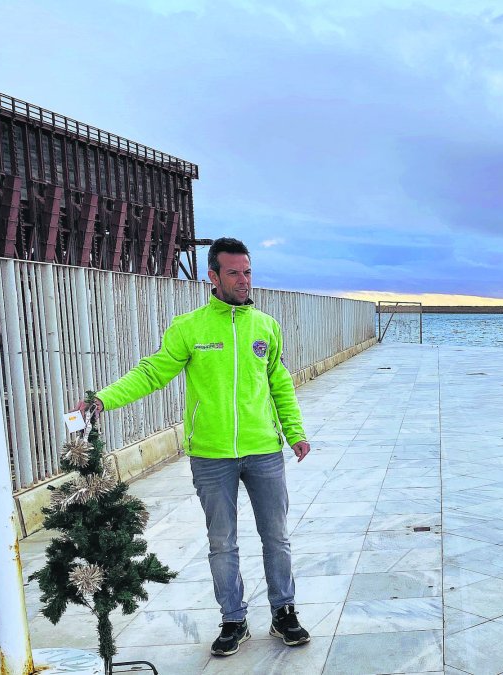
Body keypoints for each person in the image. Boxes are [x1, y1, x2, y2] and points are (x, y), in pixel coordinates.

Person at [75, 237, 311, 657]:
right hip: (210, 455)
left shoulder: (266, 326)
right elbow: (152, 373)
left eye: (248, 271)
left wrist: (294, 432)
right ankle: (233, 619)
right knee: (222, 541)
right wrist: (103, 398)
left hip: (263, 451)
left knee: (276, 536)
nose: (243, 280)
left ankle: (284, 611)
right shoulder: (190, 328)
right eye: (234, 272)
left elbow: (279, 383)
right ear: (213, 276)